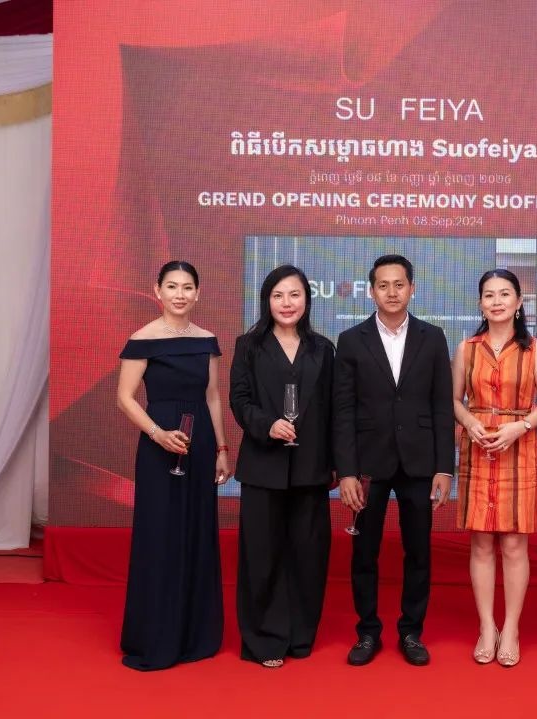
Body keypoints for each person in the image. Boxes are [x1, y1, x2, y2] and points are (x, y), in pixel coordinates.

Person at [334, 254, 455, 667]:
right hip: (368, 465)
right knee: (364, 552)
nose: (391, 292)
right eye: (383, 285)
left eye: (399, 284)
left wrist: (444, 467)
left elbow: (442, 406)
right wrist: (346, 471)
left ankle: (411, 632)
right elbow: (343, 411)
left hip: (420, 462)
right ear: (371, 291)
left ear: (412, 289)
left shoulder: (432, 337)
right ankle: (367, 632)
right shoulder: (351, 340)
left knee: (418, 551)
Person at [115, 260, 230, 671]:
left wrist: (221, 448)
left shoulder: (207, 340)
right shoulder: (142, 339)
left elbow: (212, 396)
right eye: (172, 286)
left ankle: (195, 633)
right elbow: (124, 397)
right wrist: (157, 434)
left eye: (187, 287)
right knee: (160, 535)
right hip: (158, 447)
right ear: (157, 291)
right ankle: (156, 635)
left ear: (198, 293)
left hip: (200, 447)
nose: (180, 294)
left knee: (197, 532)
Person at [229, 265, 335, 668]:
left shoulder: (323, 349)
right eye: (278, 295)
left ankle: (300, 635)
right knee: (262, 555)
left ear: (307, 299)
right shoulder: (249, 345)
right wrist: (266, 425)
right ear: (266, 300)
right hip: (263, 466)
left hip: (311, 469)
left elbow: (334, 410)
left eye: (294, 294)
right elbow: (239, 400)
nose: (287, 303)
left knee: (308, 555)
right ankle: (265, 639)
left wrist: (338, 466)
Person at [452, 269, 537, 667]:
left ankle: (511, 627)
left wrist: (521, 426)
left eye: (505, 294)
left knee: (513, 545)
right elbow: (454, 399)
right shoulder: (467, 348)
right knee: (480, 543)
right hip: (478, 446)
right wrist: (469, 422)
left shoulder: (536, 349)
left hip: (518, 445)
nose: (497, 301)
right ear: (480, 303)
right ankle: (486, 626)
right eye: (489, 295)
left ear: (519, 302)